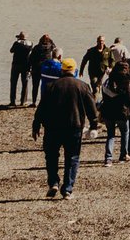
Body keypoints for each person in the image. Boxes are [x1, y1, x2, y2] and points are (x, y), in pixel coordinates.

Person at [31, 56, 98, 200]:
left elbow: (42, 108)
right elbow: (92, 108)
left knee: (51, 157)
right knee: (72, 158)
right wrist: (94, 125)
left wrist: (36, 124)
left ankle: (53, 182)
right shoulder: (82, 86)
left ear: (62, 70)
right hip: (74, 127)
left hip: (53, 127)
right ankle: (67, 189)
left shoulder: (51, 86)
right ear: (74, 70)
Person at [8, 32, 34, 106]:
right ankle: (23, 101)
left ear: (20, 37)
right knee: (25, 83)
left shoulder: (16, 43)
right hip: (26, 66)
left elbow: (11, 50)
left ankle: (13, 101)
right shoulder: (30, 44)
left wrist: (17, 42)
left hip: (16, 65)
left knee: (13, 83)